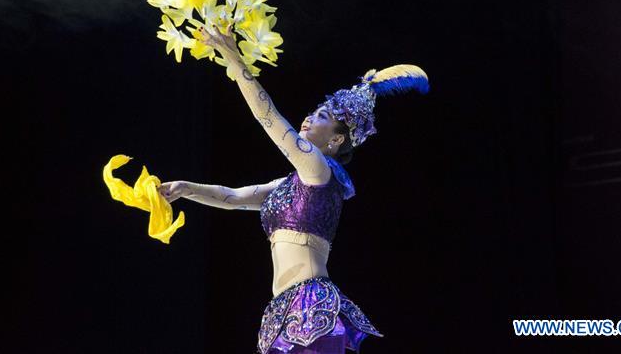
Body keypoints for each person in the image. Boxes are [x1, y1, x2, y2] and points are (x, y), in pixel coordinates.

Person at [160, 23, 429, 353]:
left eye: (322, 116)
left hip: (309, 301)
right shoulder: (289, 183)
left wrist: (233, 58)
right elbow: (231, 197)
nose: (309, 118)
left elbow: (268, 118)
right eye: (313, 112)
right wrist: (185, 188)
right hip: (282, 309)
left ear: (336, 139)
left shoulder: (319, 171)